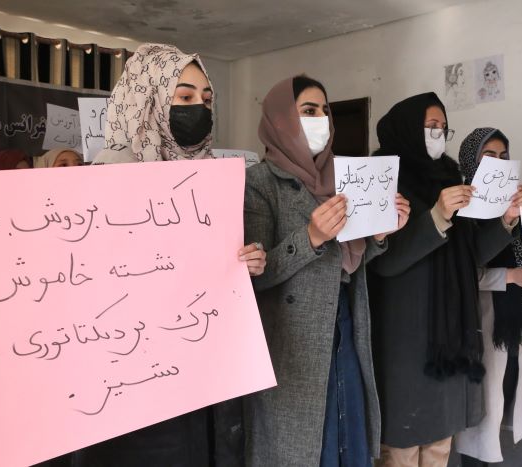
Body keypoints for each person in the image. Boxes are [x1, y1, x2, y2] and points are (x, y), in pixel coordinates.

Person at [76, 43, 266, 467]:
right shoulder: (106, 180)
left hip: (201, 381)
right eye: (184, 97)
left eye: (206, 98)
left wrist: (241, 266)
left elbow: (202, 275)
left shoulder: (208, 180)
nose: (199, 107)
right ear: (151, 98)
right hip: (131, 392)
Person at [243, 75, 410, 467]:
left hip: (344, 327)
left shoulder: (344, 180)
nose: (321, 119)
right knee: (301, 446)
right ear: (281, 120)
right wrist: (311, 236)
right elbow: (256, 274)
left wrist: (380, 234)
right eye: (308, 111)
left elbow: (349, 261)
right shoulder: (259, 183)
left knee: (347, 435)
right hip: (291, 341)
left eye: (324, 110)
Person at [366, 95, 522, 467]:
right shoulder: (382, 176)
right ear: (407, 127)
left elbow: (470, 252)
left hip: (449, 329)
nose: (438, 134)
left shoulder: (450, 175)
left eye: (442, 128)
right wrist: (437, 215)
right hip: (403, 333)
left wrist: (506, 220)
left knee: (440, 441)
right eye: (430, 127)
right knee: (402, 444)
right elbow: (384, 262)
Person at [455, 128, 522, 466]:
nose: (498, 163)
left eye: (503, 156)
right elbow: (463, 273)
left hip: (515, 320)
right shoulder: (461, 208)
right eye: (489, 156)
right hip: (483, 320)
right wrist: (511, 277)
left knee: (504, 397)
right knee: (482, 405)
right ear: (471, 161)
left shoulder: (512, 202)